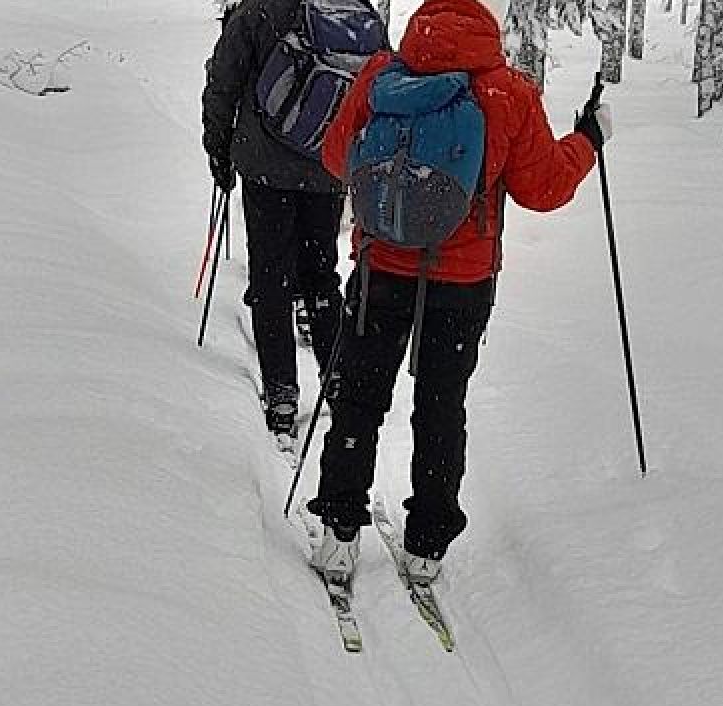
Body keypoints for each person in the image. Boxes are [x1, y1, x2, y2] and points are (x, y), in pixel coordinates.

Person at [306, 0, 612, 587]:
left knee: (359, 398)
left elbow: (335, 156)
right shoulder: (506, 92)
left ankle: (340, 531)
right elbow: (543, 188)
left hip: (379, 269)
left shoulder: (381, 74)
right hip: (463, 282)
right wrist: (587, 142)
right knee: (441, 405)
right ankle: (426, 547)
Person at [201, 0, 351, 440]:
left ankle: (282, 393)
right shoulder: (350, 10)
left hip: (266, 165)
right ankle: (338, 379)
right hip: (327, 166)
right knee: (321, 275)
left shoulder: (259, 9)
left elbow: (223, 82)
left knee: (271, 277)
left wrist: (219, 149)